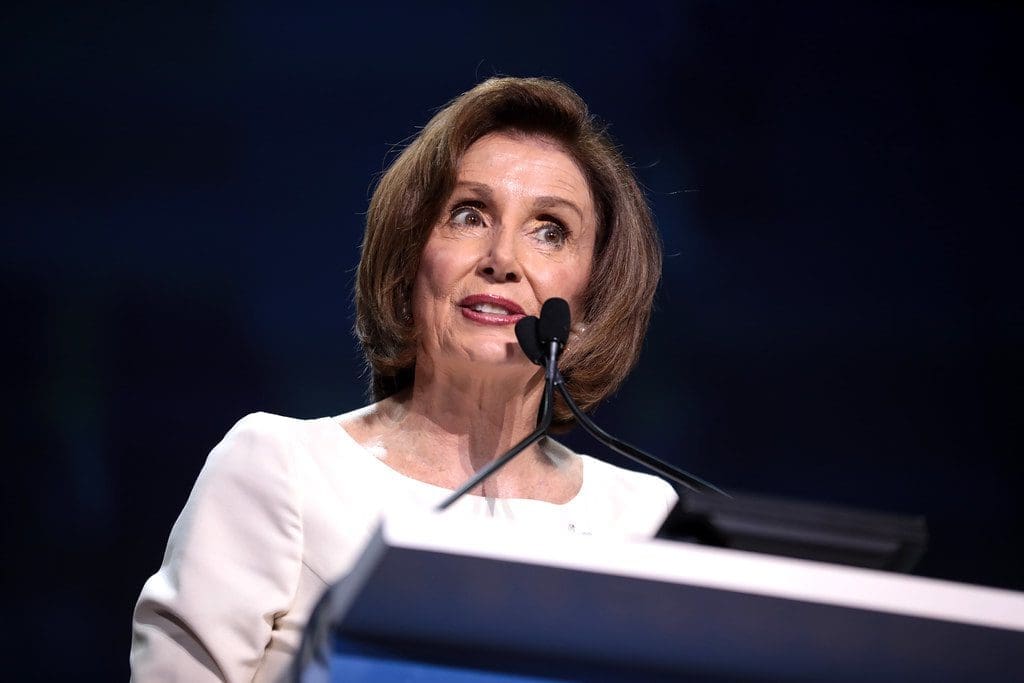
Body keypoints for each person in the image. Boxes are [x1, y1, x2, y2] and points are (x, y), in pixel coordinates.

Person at [130, 76, 678, 682]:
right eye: (469, 215)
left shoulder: (644, 519)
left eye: (549, 230)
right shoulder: (282, 469)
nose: (502, 258)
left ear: (592, 302)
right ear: (409, 262)